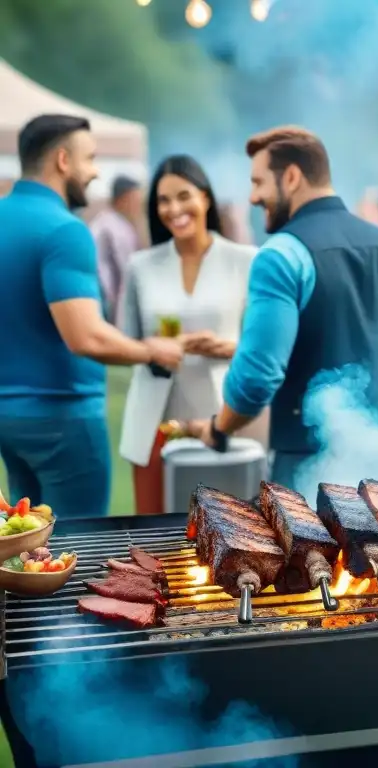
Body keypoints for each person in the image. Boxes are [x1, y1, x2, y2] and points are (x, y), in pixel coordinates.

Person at [189, 126, 378, 492]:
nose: (252, 197)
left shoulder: (280, 255)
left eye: (259, 182)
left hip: (307, 475)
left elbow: (255, 378)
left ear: (292, 177)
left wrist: (218, 428)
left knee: (309, 552)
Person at [0, 114, 182, 517]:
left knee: (26, 545)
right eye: (90, 158)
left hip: (8, 419)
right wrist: (151, 351)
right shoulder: (65, 230)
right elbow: (86, 337)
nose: (96, 172)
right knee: (78, 551)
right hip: (63, 420)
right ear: (63, 161)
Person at [119, 155, 260, 514]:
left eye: (184, 196)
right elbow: (124, 340)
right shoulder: (141, 265)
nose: (173, 209)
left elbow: (264, 344)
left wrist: (230, 347)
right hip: (155, 418)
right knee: (155, 533)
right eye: (163, 201)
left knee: (232, 530)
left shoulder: (246, 259)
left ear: (206, 198)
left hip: (223, 414)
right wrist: (153, 348)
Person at [89, 175, 141, 323]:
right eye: (135, 199)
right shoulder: (117, 228)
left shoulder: (102, 220)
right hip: (106, 296)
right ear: (123, 199)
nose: (138, 205)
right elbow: (128, 270)